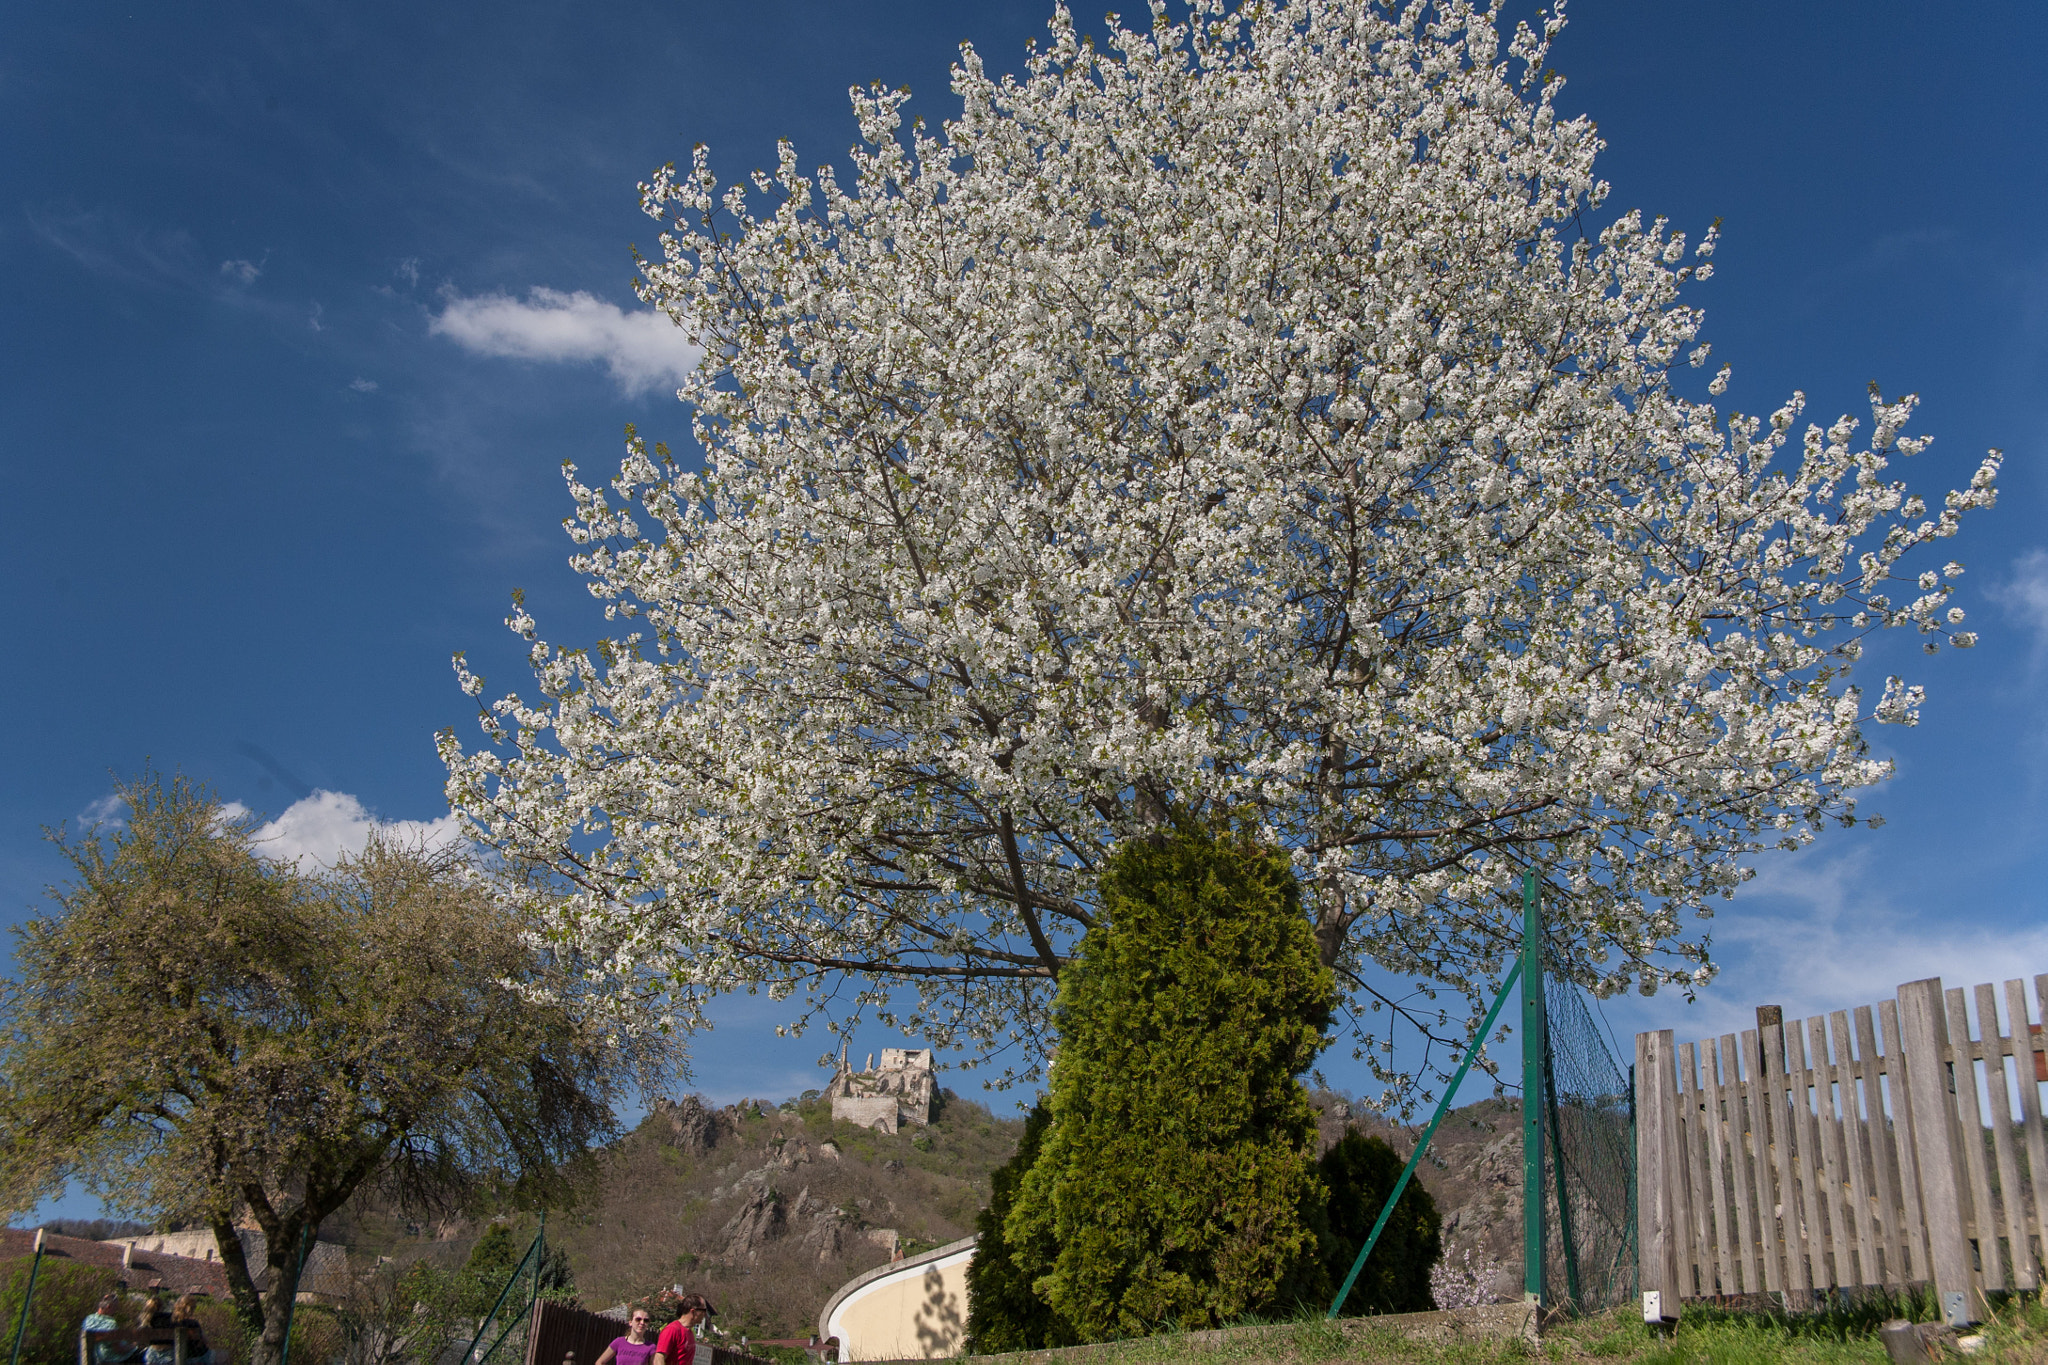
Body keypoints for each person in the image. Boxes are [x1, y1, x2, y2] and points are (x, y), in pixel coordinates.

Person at [653, 1294, 715, 1365]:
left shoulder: (690, 1332)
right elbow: (659, 1357)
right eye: (703, 1310)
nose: (705, 1314)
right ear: (693, 1311)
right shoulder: (672, 1330)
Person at [594, 1307, 660, 1365]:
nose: (642, 1323)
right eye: (638, 1319)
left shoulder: (651, 1347)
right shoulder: (618, 1342)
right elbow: (600, 1362)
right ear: (630, 1322)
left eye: (646, 1320)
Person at [168, 1294, 213, 1365]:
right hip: (196, 1356)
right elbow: (206, 1340)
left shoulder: (170, 1322)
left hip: (174, 1355)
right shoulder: (193, 1324)